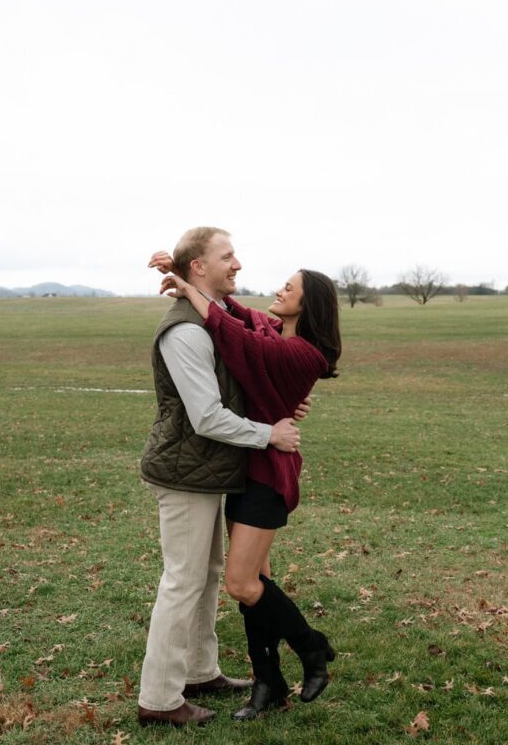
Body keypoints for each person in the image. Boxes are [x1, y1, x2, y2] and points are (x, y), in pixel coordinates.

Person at [154, 257, 342, 721]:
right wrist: (187, 278)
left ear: (307, 304)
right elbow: (236, 312)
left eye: (288, 288)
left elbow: (229, 330)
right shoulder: (276, 332)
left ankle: (311, 647)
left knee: (242, 582)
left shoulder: (302, 354)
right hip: (246, 466)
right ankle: (268, 684)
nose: (278, 292)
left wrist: (184, 284)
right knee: (255, 582)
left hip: (268, 473)